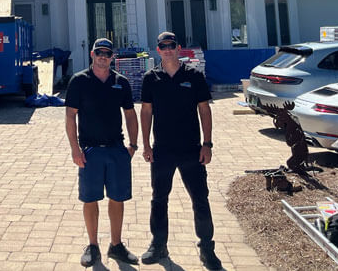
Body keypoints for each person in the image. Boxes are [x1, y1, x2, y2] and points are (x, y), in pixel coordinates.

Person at [139, 32, 222, 270]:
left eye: (171, 45)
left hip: (191, 151)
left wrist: (207, 144)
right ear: (158, 50)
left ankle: (207, 249)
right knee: (159, 199)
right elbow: (146, 112)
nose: (167, 49)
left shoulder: (193, 76)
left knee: (200, 199)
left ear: (179, 48)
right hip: (162, 150)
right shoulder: (150, 78)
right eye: (162, 46)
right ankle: (159, 244)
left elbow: (205, 110)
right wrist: (145, 144)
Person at [65, 38, 140, 267]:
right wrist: (75, 150)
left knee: (117, 199)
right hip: (90, 152)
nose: (103, 57)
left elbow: (130, 114)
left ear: (112, 57)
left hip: (117, 150)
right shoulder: (79, 81)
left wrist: (133, 146)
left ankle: (116, 245)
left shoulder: (121, 82)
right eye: (99, 52)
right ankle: (93, 246)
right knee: (90, 199)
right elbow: (70, 116)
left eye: (107, 54)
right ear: (92, 54)